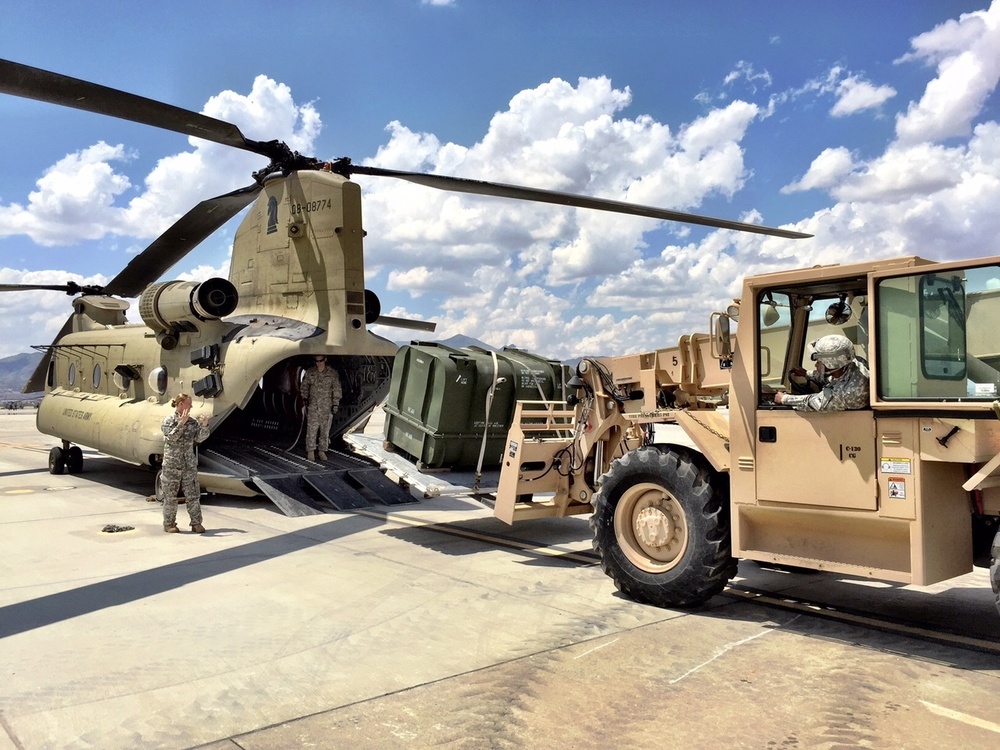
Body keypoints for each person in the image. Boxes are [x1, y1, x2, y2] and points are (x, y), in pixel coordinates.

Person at [774, 334, 869, 411]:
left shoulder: (849, 392)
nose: (816, 365)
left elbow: (814, 403)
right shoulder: (853, 363)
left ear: (830, 364)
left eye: (819, 362)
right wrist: (806, 374)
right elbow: (831, 378)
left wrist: (784, 399)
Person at [159, 393, 210, 533]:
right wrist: (181, 424)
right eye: (189, 403)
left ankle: (196, 523)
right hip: (172, 465)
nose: (191, 406)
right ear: (181, 404)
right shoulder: (169, 420)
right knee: (170, 496)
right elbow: (171, 438)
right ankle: (169, 524)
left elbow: (199, 438)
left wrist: (204, 426)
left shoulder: (193, 422)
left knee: (193, 495)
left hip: (188, 464)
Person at [301, 354, 342, 461]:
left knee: (325, 431)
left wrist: (335, 404)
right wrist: (304, 398)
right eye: (316, 361)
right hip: (313, 406)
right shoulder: (311, 372)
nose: (319, 363)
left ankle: (322, 451)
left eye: (321, 361)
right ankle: (310, 451)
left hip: (326, 407)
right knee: (312, 430)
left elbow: (336, 389)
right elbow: (305, 386)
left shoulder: (332, 373)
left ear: (325, 360)